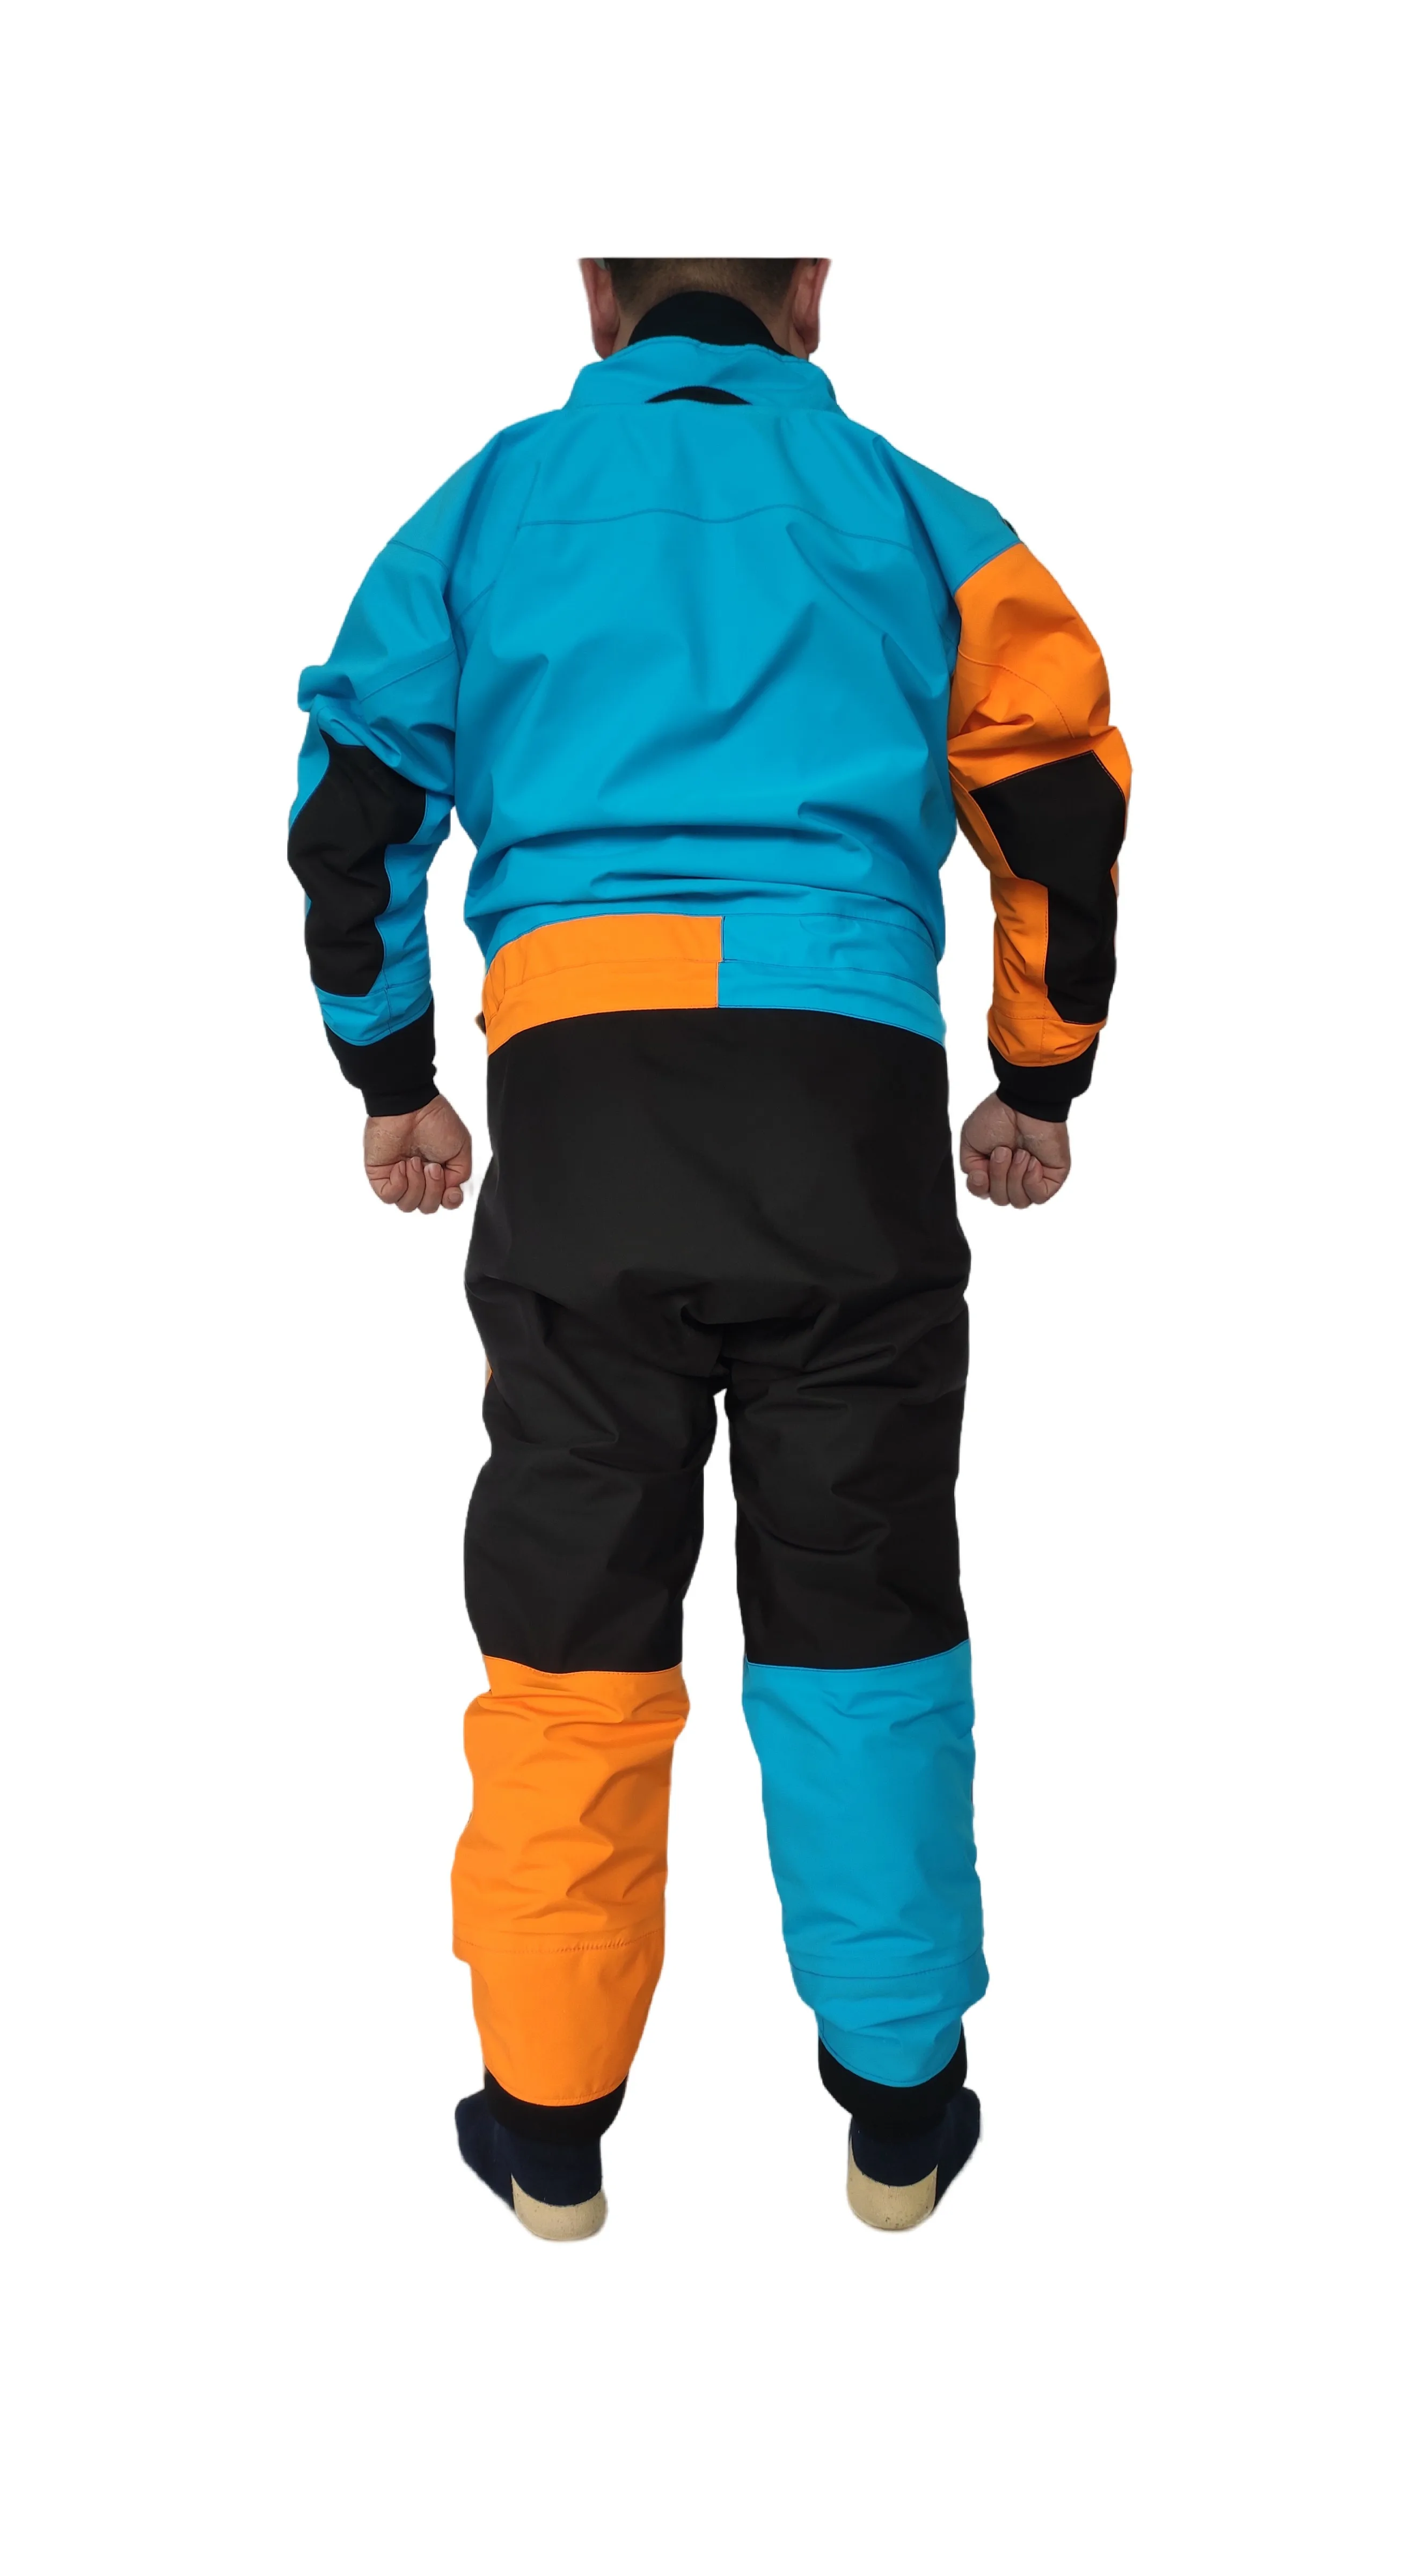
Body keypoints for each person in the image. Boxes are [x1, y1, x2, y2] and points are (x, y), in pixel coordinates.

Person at [288, 256, 1130, 2239]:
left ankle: (549, 2117)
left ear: (596, 293)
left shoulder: (485, 505)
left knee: (568, 1611)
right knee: (867, 1603)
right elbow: (1056, 805)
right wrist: (1035, 1079)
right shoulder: (922, 510)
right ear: (810, 293)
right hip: (843, 1110)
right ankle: (899, 2105)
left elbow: (355, 804)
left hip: (584, 1110)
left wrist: (395, 1077)